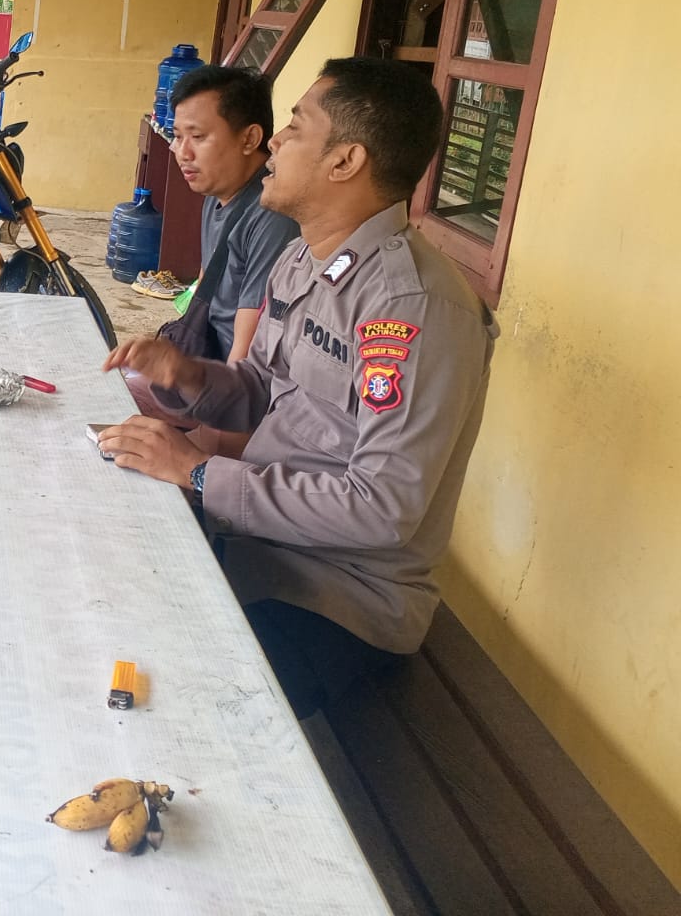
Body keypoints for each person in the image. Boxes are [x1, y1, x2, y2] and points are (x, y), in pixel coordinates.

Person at [100, 58, 498, 717]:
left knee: (170, 702)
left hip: (339, 599)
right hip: (258, 550)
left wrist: (198, 473)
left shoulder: (412, 307)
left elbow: (382, 508)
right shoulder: (305, 259)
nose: (277, 140)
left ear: (345, 160)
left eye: (295, 124)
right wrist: (188, 376)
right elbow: (263, 389)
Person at [156, 65, 299, 362]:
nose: (182, 153)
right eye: (178, 136)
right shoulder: (217, 192)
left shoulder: (272, 215)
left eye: (197, 136)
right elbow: (205, 284)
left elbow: (244, 354)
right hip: (206, 356)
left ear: (249, 139)